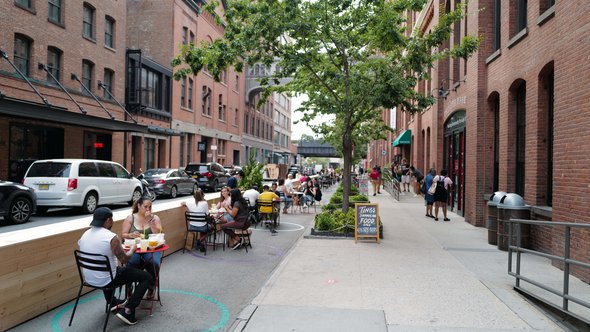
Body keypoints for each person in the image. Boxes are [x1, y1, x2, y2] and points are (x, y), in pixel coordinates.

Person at [78, 207, 153, 326]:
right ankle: (128, 310)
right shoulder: (111, 237)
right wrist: (133, 248)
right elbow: (124, 259)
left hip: (89, 278)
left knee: (108, 270)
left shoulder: (85, 234)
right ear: (108, 220)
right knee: (146, 277)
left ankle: (112, 303)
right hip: (107, 279)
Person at [121, 197, 162, 299]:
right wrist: (131, 235)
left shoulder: (155, 218)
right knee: (131, 262)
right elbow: (123, 234)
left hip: (151, 247)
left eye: (150, 207)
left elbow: (159, 233)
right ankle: (129, 286)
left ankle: (151, 286)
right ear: (139, 206)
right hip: (135, 247)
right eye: (145, 207)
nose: (148, 209)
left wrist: (150, 221)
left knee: (154, 263)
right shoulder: (130, 218)